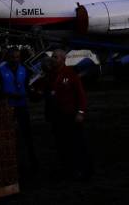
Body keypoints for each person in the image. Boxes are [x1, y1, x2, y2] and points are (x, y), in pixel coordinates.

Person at [37, 48, 91, 180]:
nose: (53, 59)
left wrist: (81, 112)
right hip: (56, 116)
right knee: (61, 144)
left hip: (70, 115)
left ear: (63, 59)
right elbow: (43, 93)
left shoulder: (71, 74)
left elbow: (81, 95)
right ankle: (67, 169)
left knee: (76, 144)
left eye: (55, 57)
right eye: (53, 57)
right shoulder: (49, 75)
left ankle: (81, 170)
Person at [0, 47, 37, 174]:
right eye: (12, 57)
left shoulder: (24, 70)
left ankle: (32, 162)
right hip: (8, 107)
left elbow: (28, 86)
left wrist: (33, 93)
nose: (15, 59)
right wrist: (9, 95)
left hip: (22, 106)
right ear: (7, 58)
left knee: (27, 135)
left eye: (17, 57)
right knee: (9, 135)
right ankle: (10, 162)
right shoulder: (0, 71)